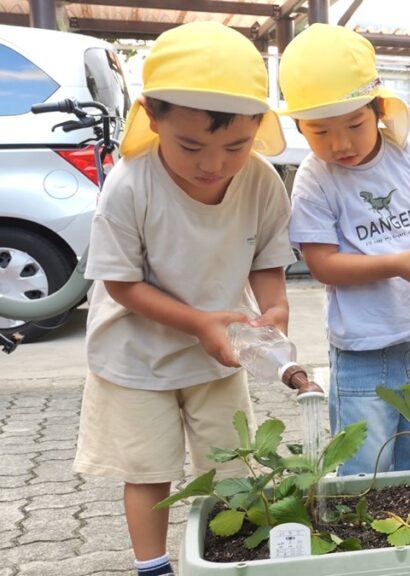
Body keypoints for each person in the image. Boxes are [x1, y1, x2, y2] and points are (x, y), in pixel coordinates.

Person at [71, 22, 294, 576]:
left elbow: (268, 261)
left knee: (234, 463)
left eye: (236, 146)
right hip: (134, 354)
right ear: (152, 116)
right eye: (190, 145)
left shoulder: (263, 182)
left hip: (220, 352)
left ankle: (239, 559)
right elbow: (120, 284)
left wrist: (276, 309)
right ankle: (154, 567)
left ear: (259, 129)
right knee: (149, 469)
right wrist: (197, 323)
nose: (213, 164)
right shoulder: (129, 184)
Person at [278, 24, 410, 476]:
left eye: (354, 124)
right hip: (361, 353)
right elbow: (322, 264)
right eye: (320, 131)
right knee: (364, 469)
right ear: (298, 127)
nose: (341, 144)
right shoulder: (316, 178)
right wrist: (399, 265)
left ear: (378, 110)